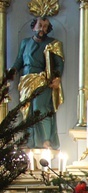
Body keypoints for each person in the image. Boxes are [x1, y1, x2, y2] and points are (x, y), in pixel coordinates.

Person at [10, 17, 64, 150]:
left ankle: (45, 140)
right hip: (26, 82)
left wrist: (57, 77)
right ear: (34, 26)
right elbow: (19, 61)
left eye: (45, 27)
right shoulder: (25, 43)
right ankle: (28, 141)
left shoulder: (53, 43)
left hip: (43, 80)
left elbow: (59, 63)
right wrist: (12, 72)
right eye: (40, 25)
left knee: (39, 108)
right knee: (26, 111)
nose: (42, 29)